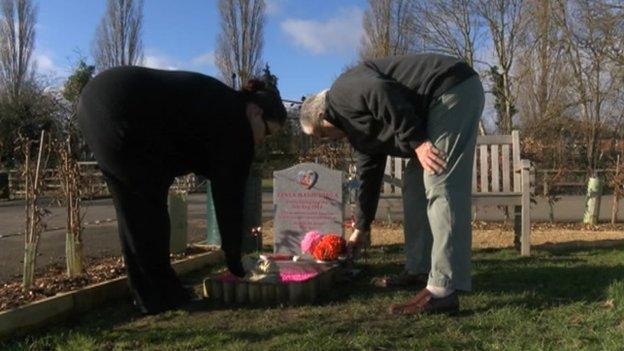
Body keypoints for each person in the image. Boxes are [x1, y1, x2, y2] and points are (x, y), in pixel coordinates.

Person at [78, 66, 287, 314]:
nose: (263, 141)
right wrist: (235, 262)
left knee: (134, 210)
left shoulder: (224, 103)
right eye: (267, 131)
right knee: (147, 209)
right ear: (255, 111)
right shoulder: (235, 126)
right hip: (124, 110)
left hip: (97, 101)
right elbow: (229, 198)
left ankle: (152, 293)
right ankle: (159, 296)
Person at [299, 53, 484, 315]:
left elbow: (380, 90)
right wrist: (361, 228)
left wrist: (418, 142)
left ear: (322, 114)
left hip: (450, 88)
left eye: (322, 133)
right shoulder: (356, 128)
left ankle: (444, 289)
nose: (327, 139)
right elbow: (369, 175)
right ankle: (418, 269)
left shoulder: (342, 91)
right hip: (434, 103)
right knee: (414, 185)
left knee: (441, 183)